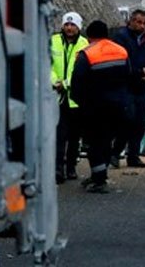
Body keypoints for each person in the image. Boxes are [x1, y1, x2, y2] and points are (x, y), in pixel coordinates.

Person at [70, 20, 132, 194]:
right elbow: (128, 76)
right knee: (106, 140)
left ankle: (99, 180)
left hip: (95, 107)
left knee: (93, 143)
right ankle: (100, 173)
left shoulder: (86, 54)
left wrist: (81, 103)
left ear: (89, 36)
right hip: (118, 105)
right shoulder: (121, 51)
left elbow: (77, 83)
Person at [110, 9, 145, 168]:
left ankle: (133, 156)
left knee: (139, 123)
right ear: (131, 21)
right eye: (139, 22)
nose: (142, 26)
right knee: (126, 121)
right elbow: (122, 61)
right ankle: (115, 153)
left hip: (140, 88)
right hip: (125, 86)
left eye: (144, 23)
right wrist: (138, 72)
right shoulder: (121, 37)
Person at [50, 12, 89, 183]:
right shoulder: (54, 41)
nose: (69, 28)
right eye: (67, 24)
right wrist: (54, 81)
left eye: (73, 25)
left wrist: (65, 83)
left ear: (79, 27)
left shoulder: (84, 44)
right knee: (59, 135)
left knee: (74, 136)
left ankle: (71, 167)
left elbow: (80, 71)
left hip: (76, 97)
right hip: (58, 97)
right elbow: (47, 64)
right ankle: (58, 169)